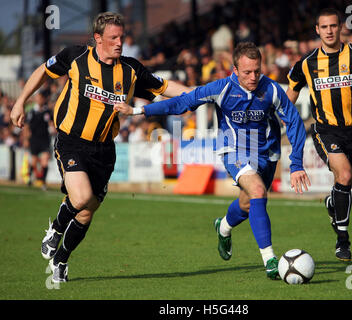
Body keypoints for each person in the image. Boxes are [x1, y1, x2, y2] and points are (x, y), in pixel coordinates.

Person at [10, 12, 191, 283]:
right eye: (113, 38)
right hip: (71, 140)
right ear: (98, 39)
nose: (120, 42)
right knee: (80, 197)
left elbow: (164, 87)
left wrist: (200, 92)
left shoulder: (130, 70)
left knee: (86, 210)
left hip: (104, 149)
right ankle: (56, 229)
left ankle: (61, 260)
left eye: (122, 37)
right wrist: (20, 100)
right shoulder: (75, 56)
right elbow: (43, 72)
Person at [114, 42, 311, 280]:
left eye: (257, 71)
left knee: (249, 203)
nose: (253, 77)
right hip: (234, 150)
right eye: (247, 72)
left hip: (266, 154)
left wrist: (297, 163)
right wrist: (138, 111)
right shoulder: (221, 88)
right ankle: (269, 259)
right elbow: (182, 102)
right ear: (234, 70)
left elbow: (294, 122)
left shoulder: (271, 90)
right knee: (258, 192)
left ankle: (224, 226)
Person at [286, 8, 352, 261]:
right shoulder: (307, 63)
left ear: (340, 27)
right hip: (325, 130)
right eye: (324, 27)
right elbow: (292, 92)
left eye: (333, 26)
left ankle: (333, 204)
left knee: (344, 183)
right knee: (344, 174)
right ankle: (343, 240)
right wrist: (279, 117)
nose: (329, 31)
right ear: (317, 30)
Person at [26, 90, 54, 189]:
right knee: (33, 161)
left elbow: (51, 123)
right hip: (34, 139)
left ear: (43, 99)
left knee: (45, 160)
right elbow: (27, 126)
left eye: (40, 98)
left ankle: (43, 182)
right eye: (37, 98)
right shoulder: (32, 111)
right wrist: (26, 138)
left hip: (44, 140)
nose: (38, 100)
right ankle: (29, 178)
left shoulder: (47, 111)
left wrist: (53, 129)